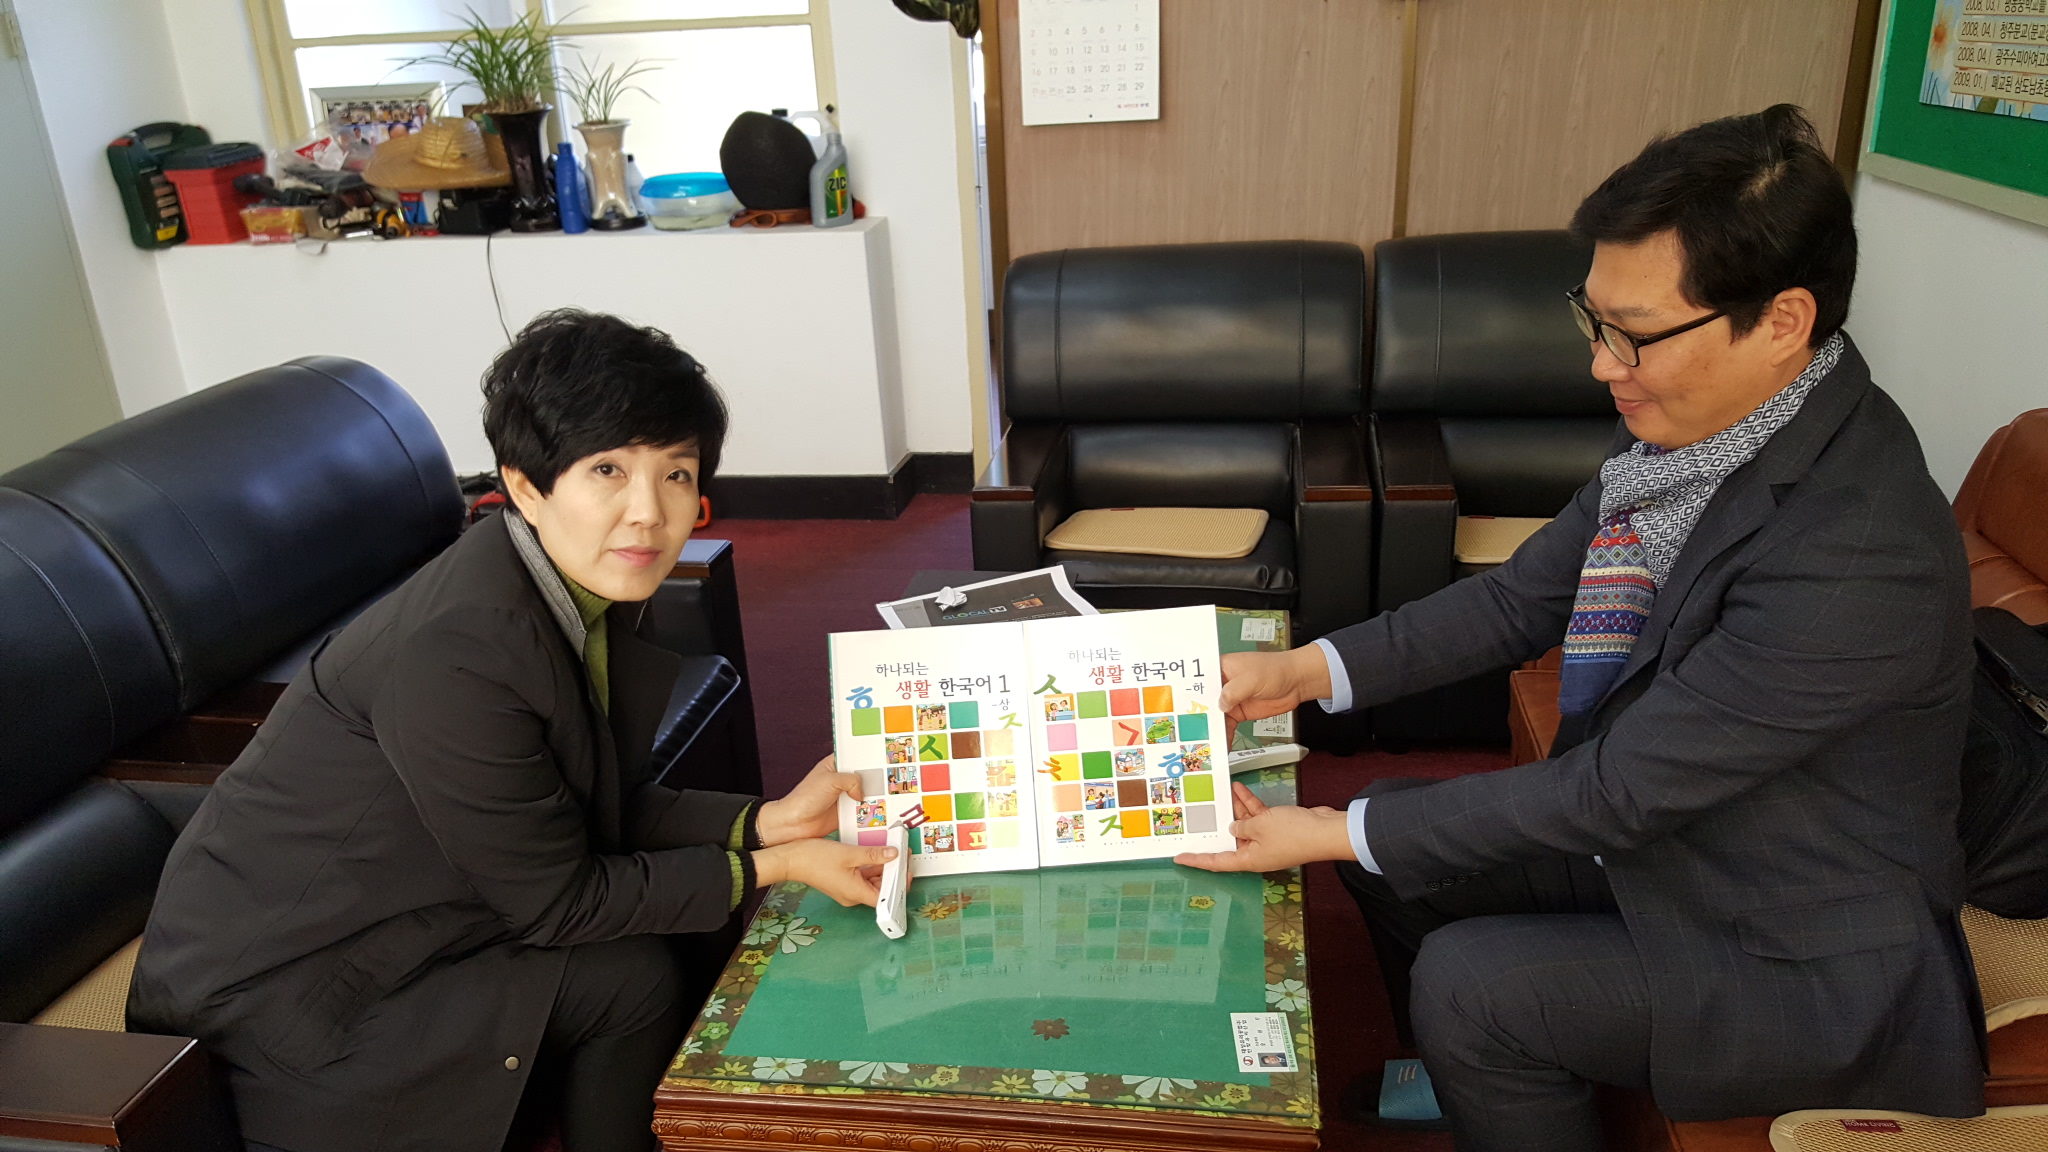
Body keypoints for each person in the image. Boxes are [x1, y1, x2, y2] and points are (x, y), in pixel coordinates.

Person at [1177, 105, 1982, 1150]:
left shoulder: (1858, 548)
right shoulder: (1689, 436)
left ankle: (1484, 1051)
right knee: (1388, 836)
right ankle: (1475, 1081)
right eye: (1593, 321)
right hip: (1680, 841)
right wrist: (1301, 671)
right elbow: (1518, 599)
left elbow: (1617, 790)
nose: (1603, 364)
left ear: (1783, 321)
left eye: (1634, 334)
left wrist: (1323, 830)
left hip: (1802, 939)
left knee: (1469, 981)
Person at [126, 310, 896, 1152]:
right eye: (608, 470)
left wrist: (768, 822)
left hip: (416, 908)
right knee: (631, 976)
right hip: (287, 1002)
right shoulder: (460, 647)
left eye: (676, 474)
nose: (648, 512)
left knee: (684, 920)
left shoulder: (579, 583)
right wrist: (775, 866)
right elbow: (558, 902)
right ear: (526, 486)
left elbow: (597, 800)